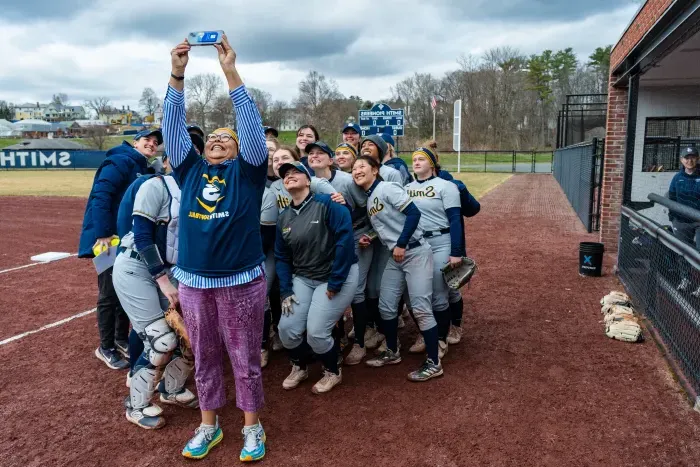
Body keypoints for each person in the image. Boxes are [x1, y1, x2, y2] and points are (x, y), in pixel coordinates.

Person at [165, 35, 268, 461]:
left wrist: (229, 71)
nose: (220, 139)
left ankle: (252, 427)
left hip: (241, 281)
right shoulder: (189, 171)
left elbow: (250, 127)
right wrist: (177, 74)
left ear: (242, 149)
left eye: (228, 138)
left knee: (244, 357)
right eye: (214, 137)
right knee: (204, 354)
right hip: (194, 282)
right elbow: (172, 125)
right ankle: (209, 426)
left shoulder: (248, 174)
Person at [112, 153, 199, 429]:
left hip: (173, 272)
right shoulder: (156, 185)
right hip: (137, 268)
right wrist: (163, 280)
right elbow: (142, 236)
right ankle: (136, 405)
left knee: (193, 337)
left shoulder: (201, 192)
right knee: (162, 341)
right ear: (169, 160)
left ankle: (171, 390)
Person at [78, 127, 163, 370]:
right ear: (135, 142)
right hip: (107, 239)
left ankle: (121, 339)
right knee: (108, 292)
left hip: (125, 238)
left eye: (155, 142)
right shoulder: (120, 160)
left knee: (124, 289)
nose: (152, 144)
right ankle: (105, 347)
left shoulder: (141, 166)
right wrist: (103, 233)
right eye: (147, 139)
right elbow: (101, 195)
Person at [352, 156, 443, 382]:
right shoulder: (371, 197)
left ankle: (434, 362)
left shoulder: (387, 187)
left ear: (375, 170)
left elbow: (414, 213)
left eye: (362, 166)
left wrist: (401, 243)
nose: (356, 170)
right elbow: (389, 227)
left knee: (421, 307)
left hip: (415, 251)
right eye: (354, 168)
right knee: (386, 305)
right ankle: (392, 351)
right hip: (397, 255)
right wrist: (370, 236)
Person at [274, 161, 359, 393]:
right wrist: (285, 290)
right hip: (304, 277)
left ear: (309, 180)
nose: (289, 176)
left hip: (335, 276)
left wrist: (336, 281)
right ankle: (300, 366)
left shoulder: (328, 204)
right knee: (287, 330)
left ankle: (333, 370)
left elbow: (345, 243)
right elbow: (282, 257)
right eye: (285, 175)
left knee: (317, 333)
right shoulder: (284, 217)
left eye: (295, 172)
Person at [405, 147, 463, 359]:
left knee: (439, 293)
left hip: (441, 241)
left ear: (432, 163)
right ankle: (427, 333)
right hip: (417, 244)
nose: (417, 162)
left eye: (422, 159)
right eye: (414, 159)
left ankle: (440, 339)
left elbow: (456, 220)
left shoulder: (446, 186)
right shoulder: (406, 187)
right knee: (416, 295)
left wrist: (456, 251)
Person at [269, 145, 344, 213]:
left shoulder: (316, 183)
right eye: (275, 160)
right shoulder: (274, 187)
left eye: (285, 158)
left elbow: (341, 210)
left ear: (297, 162)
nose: (280, 162)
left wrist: (339, 199)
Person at [669, 146, 700, 296]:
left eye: (693, 157)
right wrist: (672, 217)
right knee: (682, 251)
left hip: (699, 220)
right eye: (686, 158)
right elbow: (672, 197)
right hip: (681, 221)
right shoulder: (677, 178)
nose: (690, 160)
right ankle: (685, 278)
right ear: (681, 160)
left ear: (698, 159)